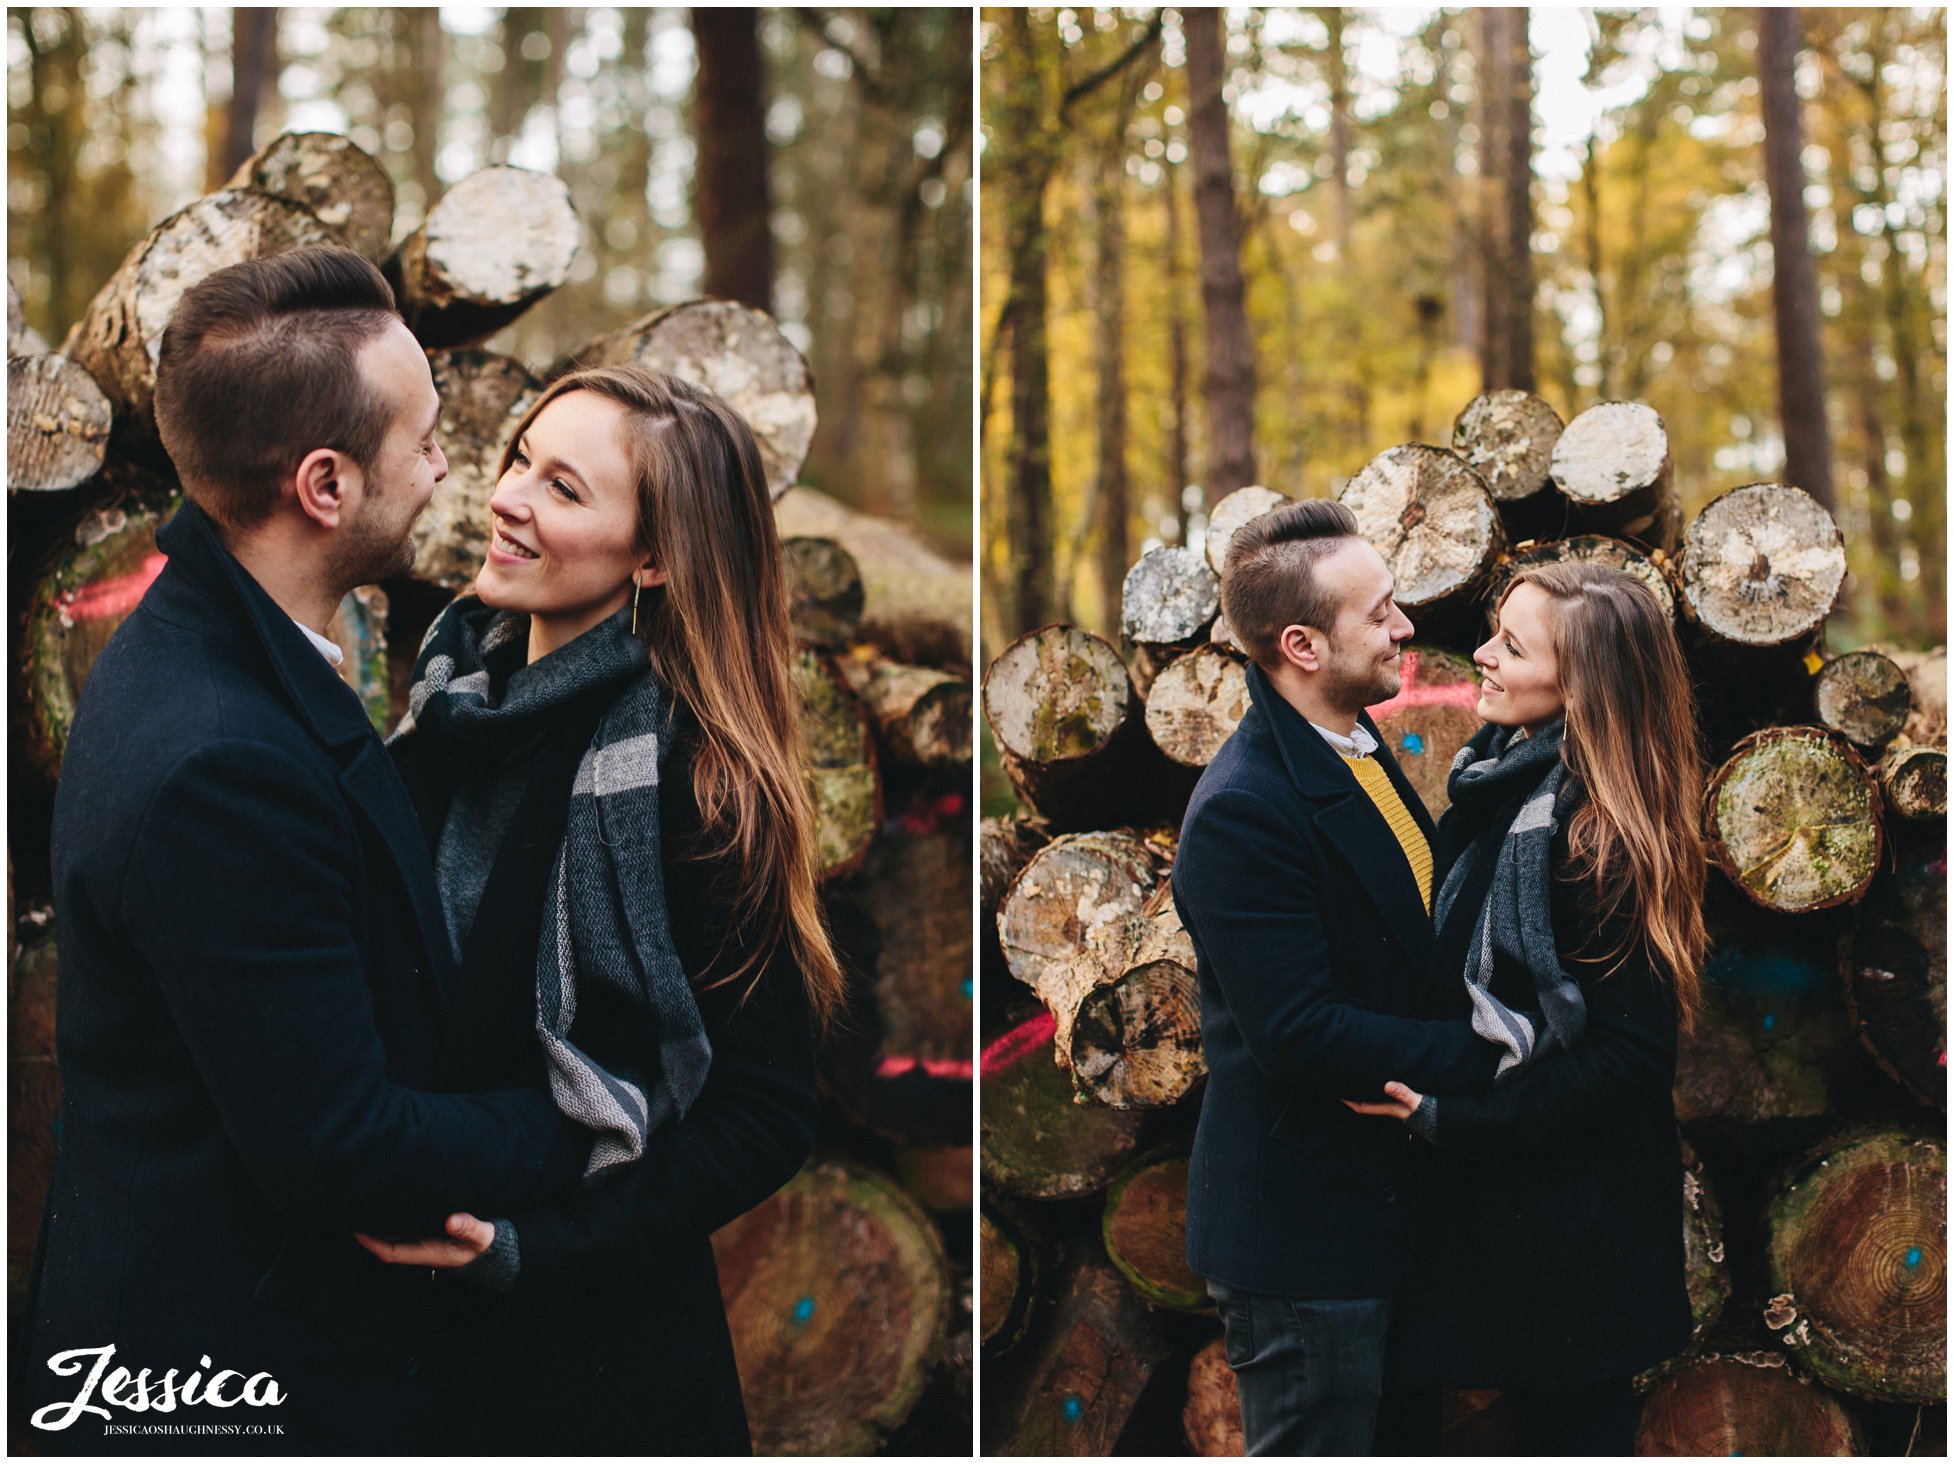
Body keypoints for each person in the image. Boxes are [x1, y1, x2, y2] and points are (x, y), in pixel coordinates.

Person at [23, 247, 593, 1453]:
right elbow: (340, 1147)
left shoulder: (214, 645)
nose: (450, 467)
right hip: (233, 1375)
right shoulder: (224, 761)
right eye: (425, 437)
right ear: (325, 485)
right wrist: (580, 1128)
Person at [359, 364, 839, 1455]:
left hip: (593, 1361)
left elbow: (764, 1115)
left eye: (565, 488)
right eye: (520, 458)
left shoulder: (699, 786)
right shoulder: (440, 720)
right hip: (391, 1340)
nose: (509, 497)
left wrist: (536, 1245)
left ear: (655, 556)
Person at [1171, 499, 1503, 1457]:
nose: (1405, 629)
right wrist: (1484, 1055)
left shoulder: (1355, 748)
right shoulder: (1244, 808)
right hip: (1303, 1236)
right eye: (1381, 613)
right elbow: (1300, 1031)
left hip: (1380, 1219)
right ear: (1303, 645)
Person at [1346, 563, 1702, 1456]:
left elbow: (1628, 1058)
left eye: (1512, 644)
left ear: (1580, 684)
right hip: (1503, 1219)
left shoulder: (1598, 838)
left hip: (1577, 1238)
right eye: (1494, 634)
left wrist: (1451, 1118)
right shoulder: (1501, 783)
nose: (1482, 656)